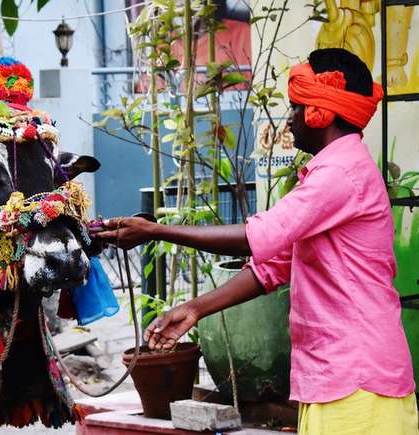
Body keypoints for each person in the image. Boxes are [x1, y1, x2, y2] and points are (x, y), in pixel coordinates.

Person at [91, 48, 418, 434]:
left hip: (358, 382)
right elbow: (272, 267)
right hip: (337, 380)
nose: (290, 120)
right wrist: (195, 309)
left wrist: (157, 230)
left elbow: (256, 237)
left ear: (321, 113)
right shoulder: (331, 172)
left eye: (296, 107)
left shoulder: (340, 173)